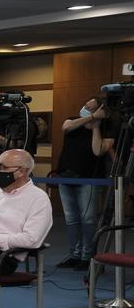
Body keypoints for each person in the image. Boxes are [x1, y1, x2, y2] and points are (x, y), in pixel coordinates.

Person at [0, 149, 52, 275]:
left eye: (3, 167)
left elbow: (32, 240)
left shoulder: (38, 199)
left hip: (3, 255)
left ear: (22, 172)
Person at [54, 97, 113, 268]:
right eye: (86, 105)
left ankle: (88, 257)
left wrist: (96, 126)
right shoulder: (74, 120)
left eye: (91, 107)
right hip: (65, 175)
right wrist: (91, 117)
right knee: (71, 218)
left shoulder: (107, 127)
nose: (86, 108)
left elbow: (97, 151)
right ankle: (74, 254)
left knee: (87, 219)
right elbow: (66, 127)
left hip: (89, 177)